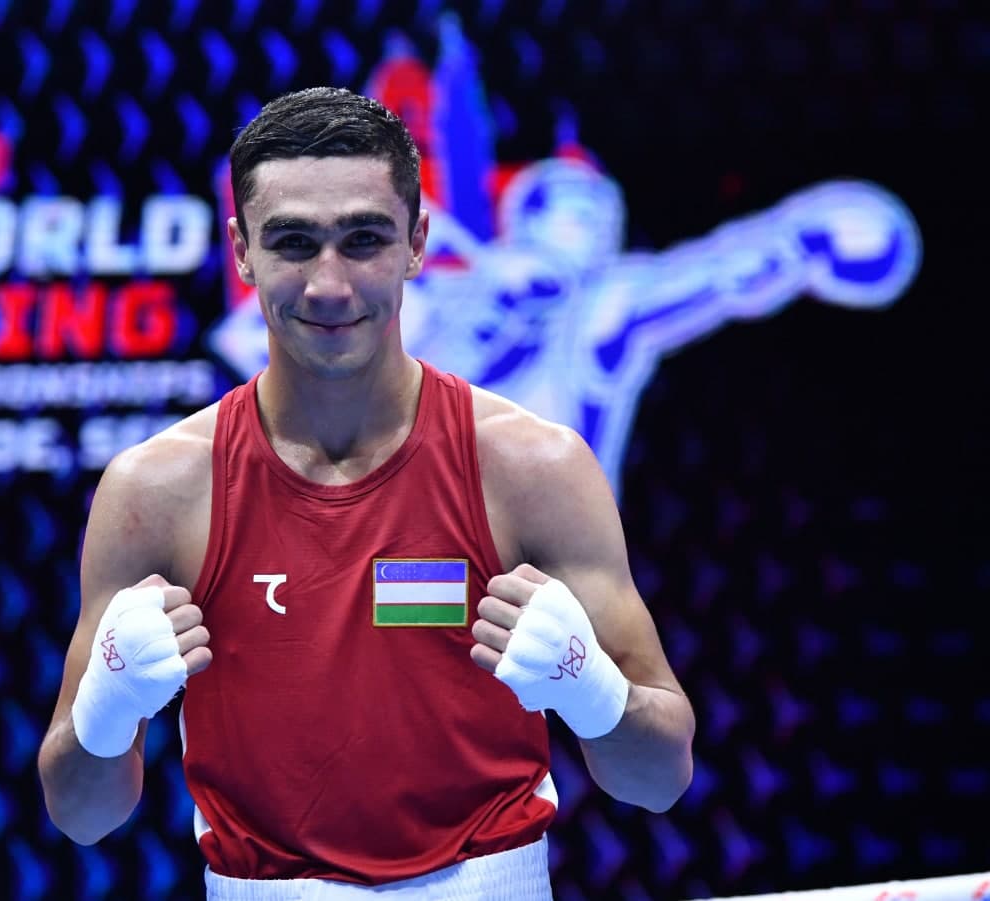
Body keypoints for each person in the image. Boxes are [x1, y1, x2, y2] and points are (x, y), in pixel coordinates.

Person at [37, 86, 696, 900]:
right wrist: (106, 710)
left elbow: (659, 777)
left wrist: (589, 687)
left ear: (417, 243)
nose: (329, 284)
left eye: (363, 240)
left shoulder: (532, 467)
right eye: (293, 242)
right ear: (241, 251)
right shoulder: (159, 489)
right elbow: (81, 813)